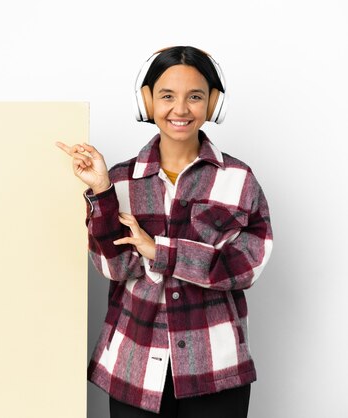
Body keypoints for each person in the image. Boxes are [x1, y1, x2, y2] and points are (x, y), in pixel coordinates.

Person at [56, 46, 273, 418]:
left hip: (215, 371)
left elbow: (244, 269)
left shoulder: (238, 180)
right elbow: (114, 269)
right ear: (147, 101)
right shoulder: (120, 181)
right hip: (134, 368)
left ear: (213, 103)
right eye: (167, 96)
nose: (181, 109)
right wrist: (102, 192)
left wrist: (159, 251)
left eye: (195, 97)